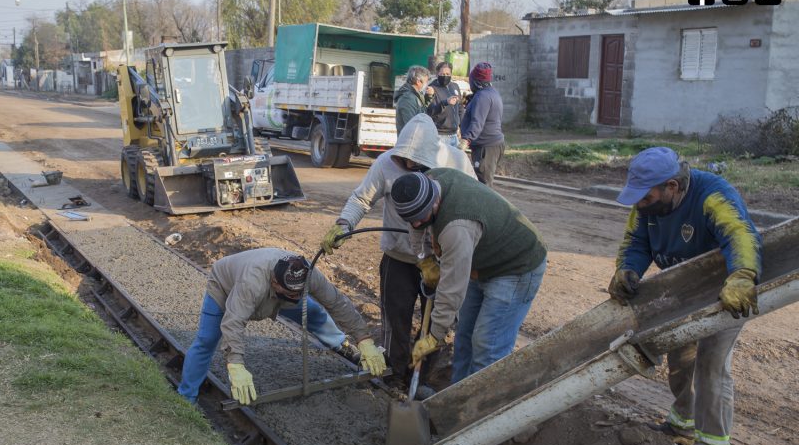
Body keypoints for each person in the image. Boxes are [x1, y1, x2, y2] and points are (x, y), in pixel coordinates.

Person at [608, 147, 762, 445]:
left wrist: (742, 276)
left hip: (725, 293)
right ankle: (682, 423)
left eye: (645, 198)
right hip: (682, 292)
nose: (639, 204)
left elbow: (741, 235)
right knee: (681, 360)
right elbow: (636, 243)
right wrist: (627, 270)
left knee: (711, 364)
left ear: (673, 187)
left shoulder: (714, 196)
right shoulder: (647, 204)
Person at [321, 114, 475, 396]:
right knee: (396, 319)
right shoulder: (385, 163)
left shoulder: (455, 161)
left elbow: (473, 199)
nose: (406, 165)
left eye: (413, 162)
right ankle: (393, 375)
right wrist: (344, 224)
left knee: (434, 321)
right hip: (399, 256)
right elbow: (361, 198)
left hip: (440, 259)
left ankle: (420, 378)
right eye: (402, 160)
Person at [391, 169, 547, 386]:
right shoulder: (425, 183)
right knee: (464, 337)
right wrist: (424, 259)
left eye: (420, 218)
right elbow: (416, 226)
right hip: (481, 261)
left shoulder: (457, 227)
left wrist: (433, 337)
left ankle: (480, 411)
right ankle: (454, 401)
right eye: (411, 220)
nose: (417, 225)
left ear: (434, 203)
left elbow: (451, 290)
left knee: (487, 345)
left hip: (516, 266)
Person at [177, 248, 386, 406]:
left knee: (313, 312)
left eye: (299, 293)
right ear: (275, 283)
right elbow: (233, 322)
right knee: (206, 340)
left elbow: (337, 303)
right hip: (224, 287)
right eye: (292, 294)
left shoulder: (306, 274)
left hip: (277, 298)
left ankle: (341, 344)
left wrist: (364, 339)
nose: (296, 297)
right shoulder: (251, 283)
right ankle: (186, 398)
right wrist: (235, 364)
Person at [459, 62, 505, 187]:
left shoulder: (482, 97)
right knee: (482, 182)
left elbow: (477, 123)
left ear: (476, 81)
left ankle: (487, 207)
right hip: (492, 145)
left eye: (471, 80)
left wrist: (466, 140)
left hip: (486, 147)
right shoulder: (492, 93)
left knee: (483, 185)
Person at [425, 61, 465, 147]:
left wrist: (463, 127)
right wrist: (445, 102)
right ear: (437, 74)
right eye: (442, 74)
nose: (445, 76)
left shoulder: (455, 86)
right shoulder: (432, 89)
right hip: (440, 135)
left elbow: (460, 108)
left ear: (451, 74)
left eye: (447, 74)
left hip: (454, 135)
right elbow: (430, 111)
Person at [393, 65, 431, 134]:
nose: (427, 85)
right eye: (426, 82)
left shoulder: (417, 95)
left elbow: (422, 110)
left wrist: (429, 96)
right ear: (418, 81)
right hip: (410, 142)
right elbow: (411, 125)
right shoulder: (408, 98)